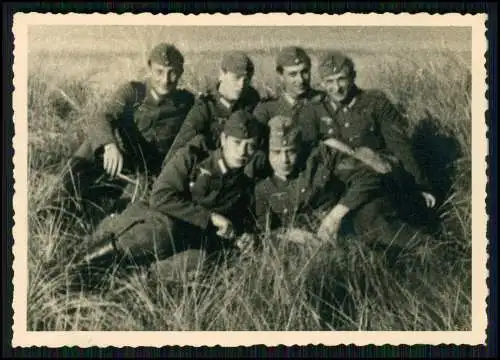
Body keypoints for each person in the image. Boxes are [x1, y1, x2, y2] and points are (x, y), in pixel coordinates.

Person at [66, 110, 264, 284]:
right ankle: (79, 266)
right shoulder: (194, 156)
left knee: (201, 261)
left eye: (250, 146)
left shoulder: (244, 183)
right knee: (163, 231)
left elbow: (241, 222)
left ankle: (128, 280)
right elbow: (161, 197)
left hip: (186, 239)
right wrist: (209, 218)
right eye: (237, 143)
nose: (242, 152)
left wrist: (241, 237)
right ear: (223, 140)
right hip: (153, 220)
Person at [43, 43, 195, 222]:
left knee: (126, 211)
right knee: (90, 145)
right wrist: (109, 145)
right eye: (159, 72)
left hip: (148, 175)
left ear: (181, 71)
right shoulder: (133, 93)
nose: (166, 80)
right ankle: (56, 204)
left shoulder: (187, 103)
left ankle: (106, 220)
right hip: (120, 162)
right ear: (149, 68)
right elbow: (102, 116)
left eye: (172, 72)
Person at [253, 115, 436, 256]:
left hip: (345, 224)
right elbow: (264, 228)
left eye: (291, 152)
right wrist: (290, 233)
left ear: (299, 149)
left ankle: (431, 249)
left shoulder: (320, 157)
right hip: (308, 243)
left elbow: (368, 176)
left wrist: (336, 215)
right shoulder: (262, 186)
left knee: (372, 222)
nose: (284, 160)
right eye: (276, 152)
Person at [296, 50, 438, 230]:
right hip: (335, 186)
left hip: (374, 183)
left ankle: (422, 248)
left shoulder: (375, 103)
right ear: (322, 84)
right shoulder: (315, 110)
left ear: (353, 77)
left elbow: (400, 147)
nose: (337, 87)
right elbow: (306, 152)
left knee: (373, 220)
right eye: (329, 82)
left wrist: (420, 185)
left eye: (341, 79)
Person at [164, 50, 262, 163]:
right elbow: (178, 150)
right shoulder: (205, 107)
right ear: (221, 74)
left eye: (246, 80)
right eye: (236, 78)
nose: (241, 85)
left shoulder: (252, 98)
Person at [253, 46, 324, 127]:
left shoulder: (323, 101)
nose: (300, 79)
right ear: (281, 75)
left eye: (304, 72)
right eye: (293, 74)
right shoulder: (267, 109)